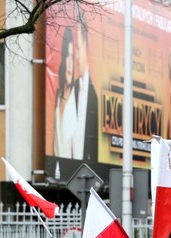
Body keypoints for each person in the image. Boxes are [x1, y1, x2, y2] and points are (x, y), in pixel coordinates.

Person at [73, 5, 98, 162]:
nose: (75, 56)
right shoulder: (72, 90)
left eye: (78, 48)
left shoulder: (95, 99)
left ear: (86, 46)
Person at [53, 28, 77, 158]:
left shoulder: (78, 101)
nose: (69, 65)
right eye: (67, 56)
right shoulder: (57, 99)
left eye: (72, 58)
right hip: (56, 173)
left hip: (74, 174)